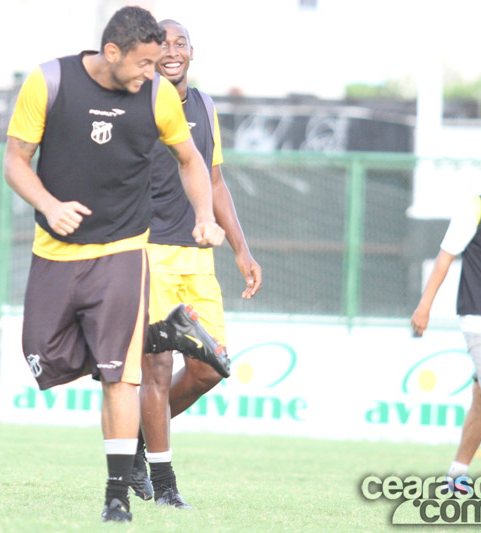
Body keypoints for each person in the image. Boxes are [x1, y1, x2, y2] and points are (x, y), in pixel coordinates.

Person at [3, 6, 227, 524]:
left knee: (121, 377)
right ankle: (138, 340)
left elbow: (192, 160)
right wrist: (49, 205)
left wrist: (202, 217)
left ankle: (116, 496)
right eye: (145, 63)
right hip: (56, 254)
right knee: (43, 354)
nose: (154, 73)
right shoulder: (50, 81)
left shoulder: (158, 97)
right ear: (112, 53)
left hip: (126, 252)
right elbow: (15, 159)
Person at [131, 19, 262, 509]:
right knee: (157, 370)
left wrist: (241, 249)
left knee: (211, 368)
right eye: (162, 44)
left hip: (199, 259)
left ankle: (139, 442)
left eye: (180, 43)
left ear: (191, 52)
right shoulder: (138, 103)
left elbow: (216, 181)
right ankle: (165, 486)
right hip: (150, 251)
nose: (172, 51)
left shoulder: (205, 104)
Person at [412, 140, 481, 495]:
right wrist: (424, 305)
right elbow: (445, 258)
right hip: (480, 318)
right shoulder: (475, 209)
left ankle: (456, 474)